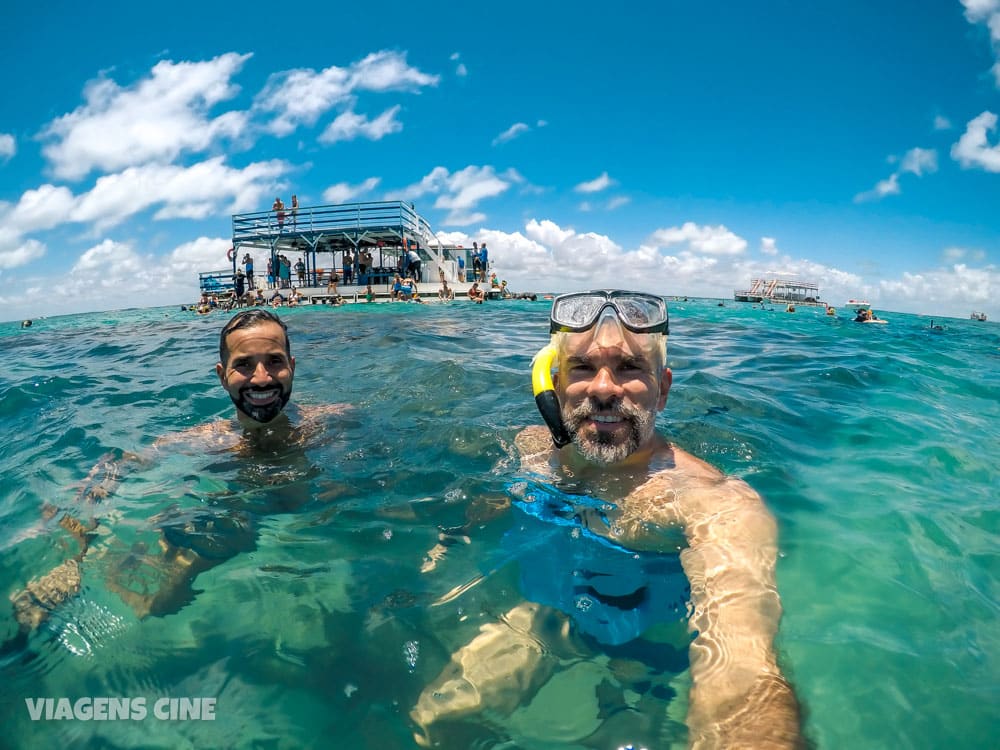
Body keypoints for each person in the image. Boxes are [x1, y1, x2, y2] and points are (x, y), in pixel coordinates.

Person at [411, 290, 803, 748]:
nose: (602, 388)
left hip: (656, 644)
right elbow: (495, 498)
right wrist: (457, 533)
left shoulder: (713, 502)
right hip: (547, 614)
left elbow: (744, 675)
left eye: (630, 368)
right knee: (434, 720)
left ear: (663, 390)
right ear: (554, 383)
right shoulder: (532, 449)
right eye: (582, 368)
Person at [10, 310, 349, 630]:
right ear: (222, 376)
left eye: (274, 361)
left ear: (292, 367)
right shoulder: (205, 441)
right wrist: (72, 550)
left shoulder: (334, 423)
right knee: (158, 596)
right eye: (244, 365)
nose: (261, 378)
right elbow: (114, 466)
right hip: (247, 556)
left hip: (317, 567)